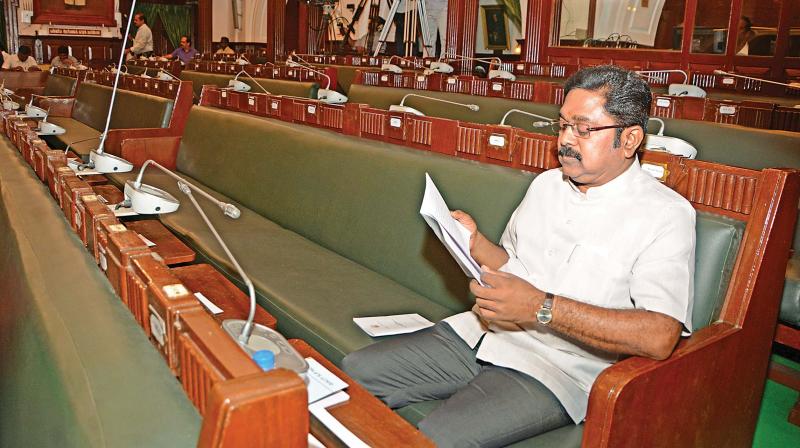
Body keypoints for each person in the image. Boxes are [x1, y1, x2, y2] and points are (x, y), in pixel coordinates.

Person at [343, 65, 696, 447]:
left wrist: (541, 308)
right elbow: (511, 265)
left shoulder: (666, 214)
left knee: (436, 438)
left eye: (583, 129)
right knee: (353, 374)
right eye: (561, 125)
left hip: (554, 369)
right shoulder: (546, 185)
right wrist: (474, 243)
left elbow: (661, 335)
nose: (565, 140)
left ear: (629, 140)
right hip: (482, 333)